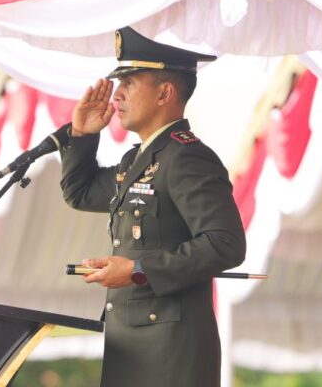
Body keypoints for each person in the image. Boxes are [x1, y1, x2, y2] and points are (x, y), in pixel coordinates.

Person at [59, 26, 246, 386]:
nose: (117, 93)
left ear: (164, 93)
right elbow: (80, 193)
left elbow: (225, 243)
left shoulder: (187, 157)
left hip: (170, 353)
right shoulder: (137, 160)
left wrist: (138, 270)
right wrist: (82, 135)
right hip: (131, 346)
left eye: (129, 82)